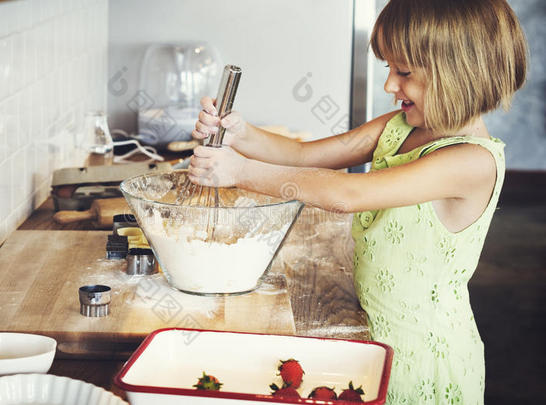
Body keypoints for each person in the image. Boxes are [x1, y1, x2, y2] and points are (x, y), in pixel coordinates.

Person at [188, 0, 528, 403]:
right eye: (388, 68)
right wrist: (240, 135)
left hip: (423, 358)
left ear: (460, 74)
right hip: (374, 334)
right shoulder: (399, 126)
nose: (389, 85)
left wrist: (240, 172)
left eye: (403, 72)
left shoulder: (471, 161)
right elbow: (304, 156)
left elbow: (347, 195)